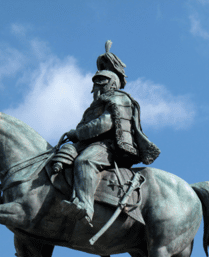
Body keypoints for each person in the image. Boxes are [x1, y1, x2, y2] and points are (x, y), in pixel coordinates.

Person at [59, 43, 160, 226]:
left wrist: (78, 133)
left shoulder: (118, 98)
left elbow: (104, 124)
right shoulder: (100, 102)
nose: (95, 87)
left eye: (100, 82)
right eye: (95, 83)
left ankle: (84, 206)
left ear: (111, 83)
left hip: (108, 146)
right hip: (89, 143)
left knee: (85, 161)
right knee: (62, 156)